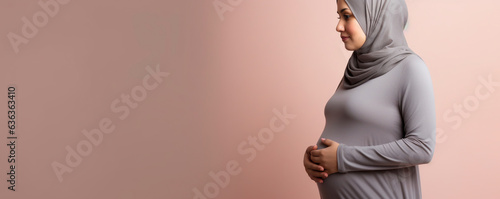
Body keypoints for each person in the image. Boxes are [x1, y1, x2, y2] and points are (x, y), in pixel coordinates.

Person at [302, 0, 436, 198]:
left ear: (376, 15)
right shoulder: (356, 67)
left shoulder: (410, 68)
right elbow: (351, 129)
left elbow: (422, 147)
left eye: (347, 16)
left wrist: (342, 158)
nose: (338, 26)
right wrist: (315, 159)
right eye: (339, 16)